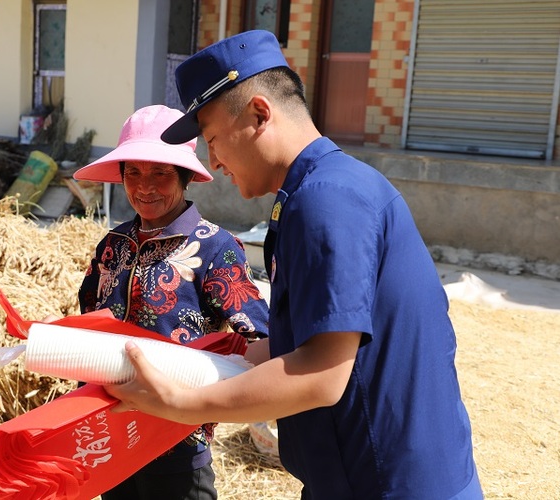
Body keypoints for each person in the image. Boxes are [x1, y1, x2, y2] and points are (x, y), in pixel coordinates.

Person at [105, 31, 483, 499]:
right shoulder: (314, 193)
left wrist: (183, 404)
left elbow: (321, 375)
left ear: (260, 114)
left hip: (390, 484)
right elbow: (297, 341)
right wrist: (211, 356)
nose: (214, 161)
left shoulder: (327, 201)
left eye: (214, 138)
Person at [72, 104, 270, 500]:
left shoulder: (214, 247)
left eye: (161, 173)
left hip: (178, 440)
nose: (145, 187)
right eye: (134, 173)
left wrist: (212, 402)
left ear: (184, 177)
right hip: (114, 431)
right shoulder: (113, 245)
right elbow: (90, 322)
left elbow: (260, 335)